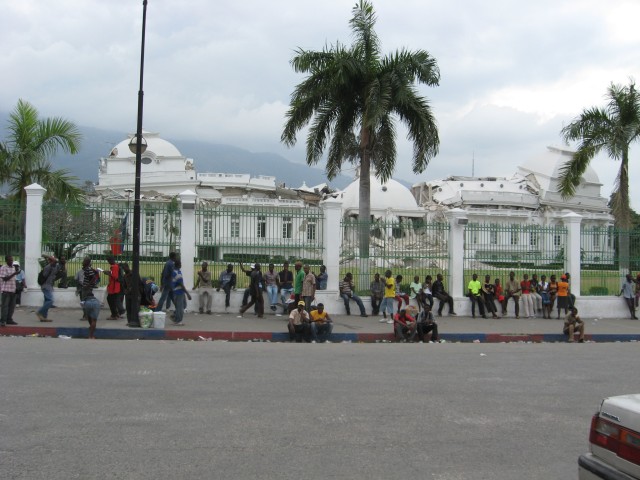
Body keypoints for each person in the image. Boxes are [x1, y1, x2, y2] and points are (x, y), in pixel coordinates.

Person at [80, 257, 101, 339]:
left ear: (87, 262)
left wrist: (88, 285)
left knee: (84, 300)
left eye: (84, 261)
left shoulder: (88, 269)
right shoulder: (87, 269)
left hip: (87, 288)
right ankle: (87, 316)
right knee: (84, 301)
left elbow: (93, 278)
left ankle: (86, 315)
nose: (82, 262)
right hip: (86, 288)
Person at [36, 254, 59, 322]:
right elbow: (55, 261)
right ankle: (39, 312)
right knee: (50, 300)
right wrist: (46, 256)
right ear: (50, 261)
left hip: (49, 286)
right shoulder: (48, 267)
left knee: (46, 301)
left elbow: (57, 263)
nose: (55, 261)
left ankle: (43, 317)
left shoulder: (55, 267)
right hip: (45, 286)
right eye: (52, 260)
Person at [171, 260, 191, 326]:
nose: (181, 265)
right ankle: (178, 321)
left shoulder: (174, 272)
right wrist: (187, 293)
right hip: (179, 292)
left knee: (182, 305)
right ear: (179, 265)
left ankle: (175, 316)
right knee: (180, 307)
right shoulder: (178, 274)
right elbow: (181, 285)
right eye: (180, 264)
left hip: (177, 291)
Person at [0, 255, 19, 326]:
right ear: (6, 261)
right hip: (5, 290)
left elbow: (13, 279)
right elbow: (5, 278)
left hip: (12, 289)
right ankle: (3, 320)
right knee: (5, 306)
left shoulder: (13, 267)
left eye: (12, 260)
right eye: (10, 260)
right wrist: (14, 273)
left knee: (12, 306)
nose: (11, 261)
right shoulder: (3, 268)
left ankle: (9, 319)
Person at [103, 256, 123, 320]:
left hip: (113, 288)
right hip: (115, 287)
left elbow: (115, 276)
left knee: (111, 300)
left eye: (108, 261)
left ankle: (114, 315)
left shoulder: (114, 267)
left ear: (111, 260)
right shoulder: (116, 266)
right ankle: (116, 314)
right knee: (113, 300)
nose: (108, 262)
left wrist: (108, 273)